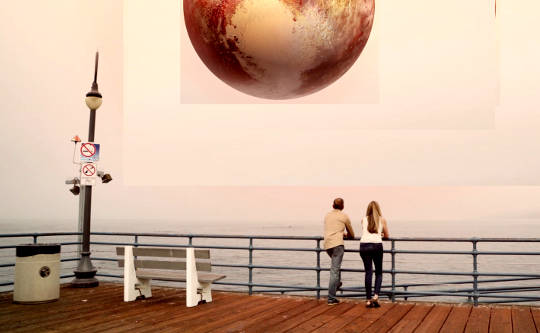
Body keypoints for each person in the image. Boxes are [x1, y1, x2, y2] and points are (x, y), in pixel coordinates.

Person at [324, 198, 355, 305]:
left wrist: (340, 232)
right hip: (337, 245)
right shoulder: (344, 216)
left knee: (335, 268)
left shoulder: (327, 215)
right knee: (334, 271)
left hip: (327, 245)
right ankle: (331, 298)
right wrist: (345, 234)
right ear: (342, 206)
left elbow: (332, 229)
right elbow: (352, 234)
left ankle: (336, 284)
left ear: (333, 205)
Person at [359, 201, 390, 308]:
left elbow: (365, 232)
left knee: (368, 272)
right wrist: (380, 234)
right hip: (377, 246)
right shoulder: (382, 220)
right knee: (379, 273)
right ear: (378, 209)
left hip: (364, 246)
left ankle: (368, 300)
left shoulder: (363, 219)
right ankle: (376, 296)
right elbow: (387, 235)